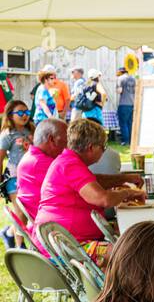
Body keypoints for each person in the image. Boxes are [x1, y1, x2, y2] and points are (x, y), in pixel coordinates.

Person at [34, 119, 144, 262]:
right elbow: (103, 199)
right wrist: (128, 193)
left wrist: (125, 178)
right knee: (129, 253)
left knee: (130, 241)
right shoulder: (70, 165)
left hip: (64, 240)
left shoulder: (69, 160)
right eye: (103, 147)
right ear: (91, 147)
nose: (104, 151)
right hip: (67, 247)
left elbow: (94, 181)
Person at [15, 119, 66, 220]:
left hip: (43, 217)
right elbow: (79, 187)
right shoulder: (42, 162)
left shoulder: (32, 156)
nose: (68, 145)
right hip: (52, 223)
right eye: (66, 139)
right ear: (52, 140)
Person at [0, 100, 34, 196]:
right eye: (20, 113)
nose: (24, 115)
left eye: (27, 112)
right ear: (10, 115)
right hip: (14, 177)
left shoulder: (32, 129)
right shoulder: (7, 134)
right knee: (20, 210)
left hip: (32, 175)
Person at [115, 68, 136, 144]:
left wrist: (117, 89)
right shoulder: (134, 78)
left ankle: (125, 141)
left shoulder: (120, 78)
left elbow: (119, 91)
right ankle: (131, 141)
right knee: (130, 123)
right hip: (132, 103)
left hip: (123, 103)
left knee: (123, 123)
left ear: (121, 72)